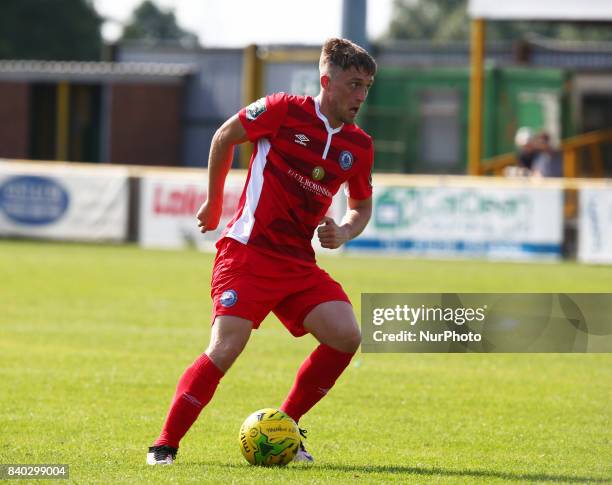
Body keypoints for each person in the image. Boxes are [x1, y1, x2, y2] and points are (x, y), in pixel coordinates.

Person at [147, 37, 377, 466]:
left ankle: (284, 427)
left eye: (366, 86)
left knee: (347, 335)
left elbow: (362, 206)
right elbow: (224, 137)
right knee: (226, 346)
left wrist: (344, 232)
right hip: (247, 252)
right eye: (353, 84)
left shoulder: (359, 146)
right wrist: (214, 202)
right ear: (326, 81)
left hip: (297, 265)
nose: (361, 95)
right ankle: (164, 445)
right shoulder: (283, 109)